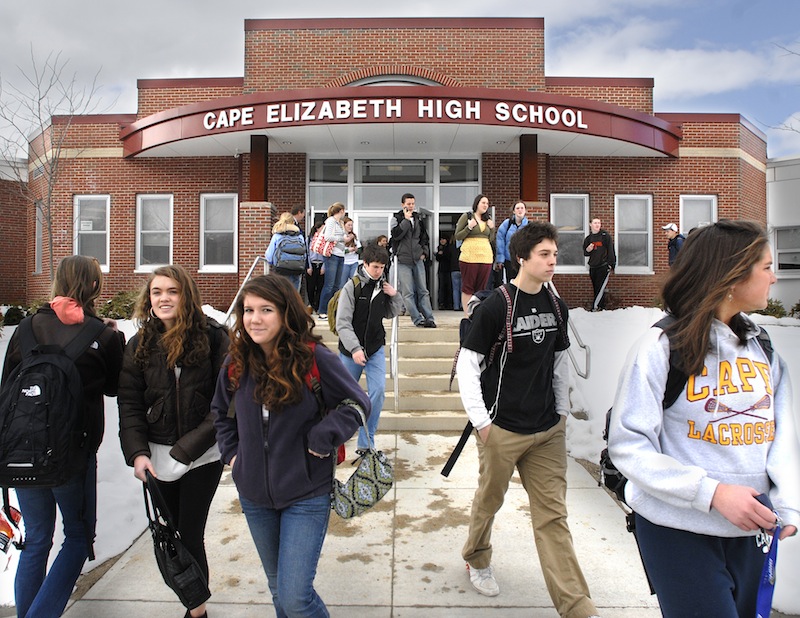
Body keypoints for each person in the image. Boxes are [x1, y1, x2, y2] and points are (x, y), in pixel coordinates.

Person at [608, 220, 800, 618]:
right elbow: (628, 444)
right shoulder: (661, 348)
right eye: (766, 266)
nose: (774, 277)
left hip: (752, 533)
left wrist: (787, 504)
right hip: (677, 529)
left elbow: (781, 437)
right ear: (731, 275)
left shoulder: (763, 350)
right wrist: (712, 493)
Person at [456, 222, 599, 618]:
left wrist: (562, 415)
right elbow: (469, 365)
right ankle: (477, 556)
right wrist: (483, 424)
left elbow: (558, 363)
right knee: (489, 500)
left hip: (547, 431)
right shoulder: (497, 305)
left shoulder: (557, 306)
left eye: (554, 254)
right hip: (501, 428)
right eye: (544, 255)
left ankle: (577, 608)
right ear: (522, 258)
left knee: (553, 518)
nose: (553, 261)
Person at [212, 274, 370, 618]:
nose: (254, 318)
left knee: (296, 597)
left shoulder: (314, 358)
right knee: (278, 591)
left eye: (266, 309)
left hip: (306, 494)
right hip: (254, 495)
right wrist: (234, 455)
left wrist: (324, 435)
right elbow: (220, 414)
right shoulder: (236, 361)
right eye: (248, 310)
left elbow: (357, 403)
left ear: (286, 313)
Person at [2, 256, 125, 618]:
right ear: (93, 287)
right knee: (76, 537)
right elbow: (116, 388)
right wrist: (110, 339)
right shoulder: (102, 335)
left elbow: (7, 387)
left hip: (22, 451)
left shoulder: (24, 329)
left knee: (37, 539)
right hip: (73, 454)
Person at [118, 264, 229, 618]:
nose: (164, 298)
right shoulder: (140, 344)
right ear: (148, 299)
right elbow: (130, 403)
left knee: (189, 533)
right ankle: (195, 602)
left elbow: (226, 402)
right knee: (173, 534)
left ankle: (197, 611)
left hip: (203, 455)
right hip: (157, 459)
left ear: (186, 295)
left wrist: (188, 449)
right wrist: (137, 453)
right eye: (157, 292)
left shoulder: (213, 337)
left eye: (172, 291)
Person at [335, 244, 403, 455]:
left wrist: (395, 295)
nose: (378, 271)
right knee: (341, 397)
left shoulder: (383, 286)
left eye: (382, 267)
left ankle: (366, 441)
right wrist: (354, 348)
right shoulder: (352, 287)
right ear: (364, 264)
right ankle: (336, 438)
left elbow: (395, 312)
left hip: (374, 348)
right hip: (350, 351)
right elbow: (342, 324)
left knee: (378, 391)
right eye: (375, 267)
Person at [390, 193, 436, 328]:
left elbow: (424, 238)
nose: (410, 206)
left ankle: (429, 318)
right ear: (402, 205)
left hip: (417, 259)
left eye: (412, 203)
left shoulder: (418, 219)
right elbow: (396, 236)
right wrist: (405, 220)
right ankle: (417, 319)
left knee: (423, 290)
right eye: (408, 204)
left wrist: (424, 252)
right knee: (408, 292)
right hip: (403, 260)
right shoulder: (396, 218)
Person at [454, 194, 495, 315]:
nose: (485, 205)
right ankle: (468, 315)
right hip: (469, 258)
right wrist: (469, 227)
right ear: (477, 204)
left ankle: (477, 315)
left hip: (486, 258)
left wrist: (492, 229)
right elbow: (458, 236)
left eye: (487, 203)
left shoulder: (488, 219)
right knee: (468, 288)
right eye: (483, 203)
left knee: (481, 289)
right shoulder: (467, 216)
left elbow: (491, 239)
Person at [316, 202, 353, 319]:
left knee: (337, 285)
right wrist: (342, 238)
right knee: (329, 284)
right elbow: (327, 237)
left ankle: (332, 310)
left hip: (341, 255)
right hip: (332, 255)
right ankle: (322, 310)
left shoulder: (340, 223)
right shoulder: (331, 221)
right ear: (341, 210)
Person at [266, 212, 307, 291]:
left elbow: (269, 256)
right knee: (294, 294)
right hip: (297, 269)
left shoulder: (277, 235)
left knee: (281, 294)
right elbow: (304, 253)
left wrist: (273, 262)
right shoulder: (299, 236)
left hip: (281, 269)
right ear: (293, 222)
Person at [582, 217, 615, 311]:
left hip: (603, 266)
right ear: (590, 225)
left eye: (599, 223)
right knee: (596, 287)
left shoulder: (605, 236)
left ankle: (597, 307)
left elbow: (611, 250)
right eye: (595, 223)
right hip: (593, 267)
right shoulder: (588, 239)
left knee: (600, 287)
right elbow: (585, 253)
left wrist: (611, 264)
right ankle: (598, 307)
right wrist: (588, 249)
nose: (597, 225)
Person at [495, 200, 529, 282]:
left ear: (525, 211)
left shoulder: (529, 226)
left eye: (522, 208)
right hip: (509, 260)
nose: (520, 210)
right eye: (517, 208)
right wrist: (500, 259)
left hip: (524, 260)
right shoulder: (507, 224)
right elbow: (500, 241)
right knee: (510, 283)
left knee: (523, 283)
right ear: (513, 211)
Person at [306, 221, 325, 312]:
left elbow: (326, 253)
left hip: (321, 264)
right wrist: (309, 266)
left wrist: (324, 267)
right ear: (317, 229)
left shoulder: (325, 239)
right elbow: (307, 253)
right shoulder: (309, 239)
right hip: (312, 264)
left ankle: (317, 305)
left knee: (320, 287)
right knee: (310, 287)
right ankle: (311, 304)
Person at [435, 236, 453, 309]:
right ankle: (441, 303)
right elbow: (438, 258)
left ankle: (449, 304)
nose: (442, 240)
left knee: (449, 287)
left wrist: (442, 254)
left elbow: (449, 257)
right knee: (441, 287)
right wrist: (438, 254)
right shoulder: (439, 247)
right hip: (441, 271)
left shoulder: (449, 248)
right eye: (441, 239)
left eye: (443, 239)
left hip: (449, 270)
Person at [341, 216, 361, 281]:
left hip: (354, 262)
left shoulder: (354, 236)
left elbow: (360, 249)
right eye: (348, 225)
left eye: (351, 225)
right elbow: (338, 251)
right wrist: (347, 250)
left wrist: (356, 250)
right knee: (342, 282)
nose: (350, 227)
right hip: (344, 262)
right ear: (344, 225)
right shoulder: (341, 236)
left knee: (354, 281)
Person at [450, 235, 463, 311]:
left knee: (455, 289)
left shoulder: (451, 247)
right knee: (463, 289)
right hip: (462, 269)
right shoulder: (464, 247)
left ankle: (456, 306)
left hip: (454, 269)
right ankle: (462, 305)